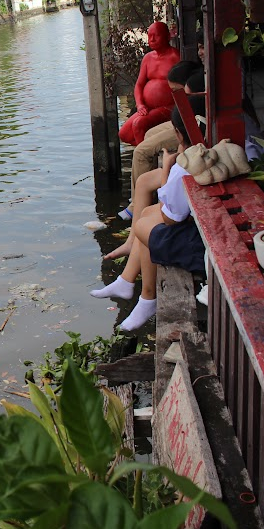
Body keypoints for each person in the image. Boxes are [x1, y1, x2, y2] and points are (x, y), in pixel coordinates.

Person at [91, 103, 205, 331]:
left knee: (145, 225)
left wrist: (167, 170)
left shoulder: (185, 166)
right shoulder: (207, 151)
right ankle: (126, 280)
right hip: (203, 227)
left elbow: (171, 215)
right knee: (145, 213)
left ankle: (148, 298)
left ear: (179, 134)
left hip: (203, 248)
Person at [117, 61, 203, 221]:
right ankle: (145, 197)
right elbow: (139, 85)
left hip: (188, 123)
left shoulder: (194, 87)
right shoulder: (193, 80)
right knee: (149, 134)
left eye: (176, 91)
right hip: (181, 120)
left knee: (141, 152)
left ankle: (137, 204)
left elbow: (170, 220)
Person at [118, 21, 180, 146]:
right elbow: (139, 85)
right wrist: (140, 105)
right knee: (124, 134)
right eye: (149, 35)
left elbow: (182, 86)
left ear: (167, 36)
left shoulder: (175, 56)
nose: (151, 39)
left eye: (155, 35)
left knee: (138, 124)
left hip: (168, 107)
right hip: (148, 108)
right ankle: (154, 146)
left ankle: (145, 156)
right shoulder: (147, 58)